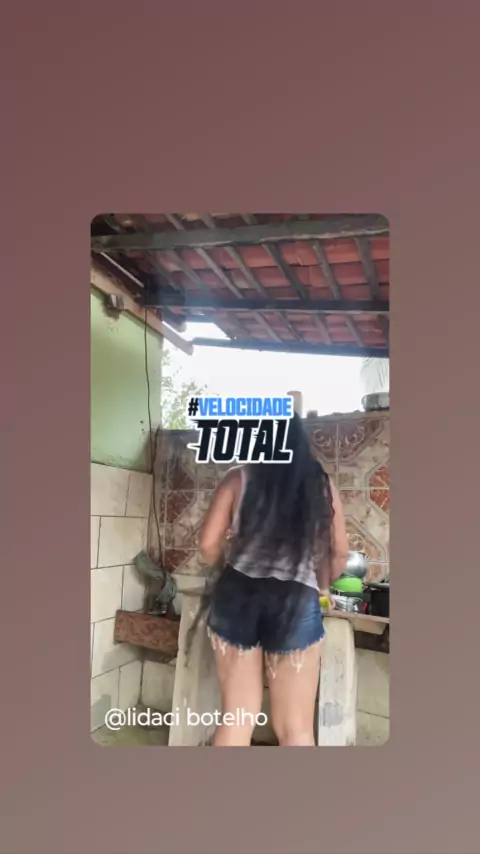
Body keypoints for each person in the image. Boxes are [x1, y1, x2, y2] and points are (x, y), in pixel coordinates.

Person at [198, 412, 349, 747]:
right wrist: (324, 584)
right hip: (295, 601)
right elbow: (339, 552)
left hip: (236, 593)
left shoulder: (237, 477)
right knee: (296, 730)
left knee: (237, 719)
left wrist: (224, 565)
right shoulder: (320, 484)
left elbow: (207, 545)